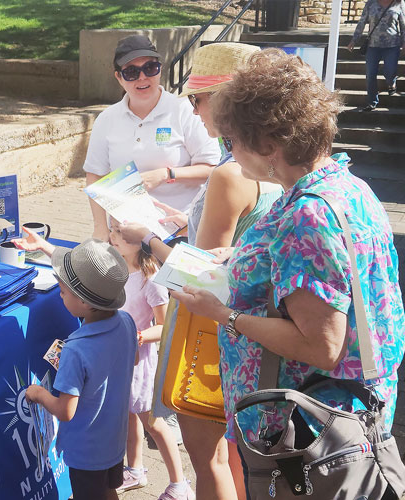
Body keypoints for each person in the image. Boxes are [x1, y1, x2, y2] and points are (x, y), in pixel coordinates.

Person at [168, 48, 404, 491]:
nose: (228, 152)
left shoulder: (307, 215)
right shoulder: (346, 185)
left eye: (230, 142)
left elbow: (322, 346)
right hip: (337, 416)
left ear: (269, 146)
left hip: (305, 437)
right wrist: (236, 260)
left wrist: (226, 315)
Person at [115, 42, 282, 500]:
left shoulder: (230, 174)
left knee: (208, 460)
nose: (194, 109)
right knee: (237, 457)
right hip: (254, 333)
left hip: (214, 335)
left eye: (198, 98)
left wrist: (146, 240)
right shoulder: (274, 162)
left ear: (228, 101)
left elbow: (200, 277)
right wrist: (185, 225)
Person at [18, 234, 136, 500]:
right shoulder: (127, 321)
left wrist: (37, 393)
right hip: (114, 441)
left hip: (87, 454)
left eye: (62, 292)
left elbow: (65, 411)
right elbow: (134, 359)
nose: (59, 297)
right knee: (109, 490)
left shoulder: (76, 348)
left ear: (84, 303)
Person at [84, 34, 221, 242]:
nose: (142, 78)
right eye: (131, 72)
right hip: (126, 237)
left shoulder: (185, 110)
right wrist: (100, 228)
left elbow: (213, 169)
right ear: (118, 77)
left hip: (178, 231)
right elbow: (95, 175)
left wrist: (166, 174)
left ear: (160, 69)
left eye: (150, 68)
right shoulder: (107, 119)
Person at [108, 218, 195, 500]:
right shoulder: (116, 267)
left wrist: (140, 336)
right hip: (121, 356)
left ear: (142, 239)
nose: (113, 235)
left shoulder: (152, 279)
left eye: (121, 232)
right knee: (130, 416)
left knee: (154, 423)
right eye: (113, 228)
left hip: (140, 361)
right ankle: (135, 469)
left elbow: (167, 324)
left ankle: (180, 485)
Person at [347, 0, 405, 111]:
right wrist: (354, 40)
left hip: (392, 45)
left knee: (390, 71)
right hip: (373, 46)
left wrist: (404, 42)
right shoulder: (370, 3)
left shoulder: (398, 3)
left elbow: (403, 25)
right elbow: (362, 22)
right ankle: (372, 101)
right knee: (370, 74)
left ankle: (391, 82)